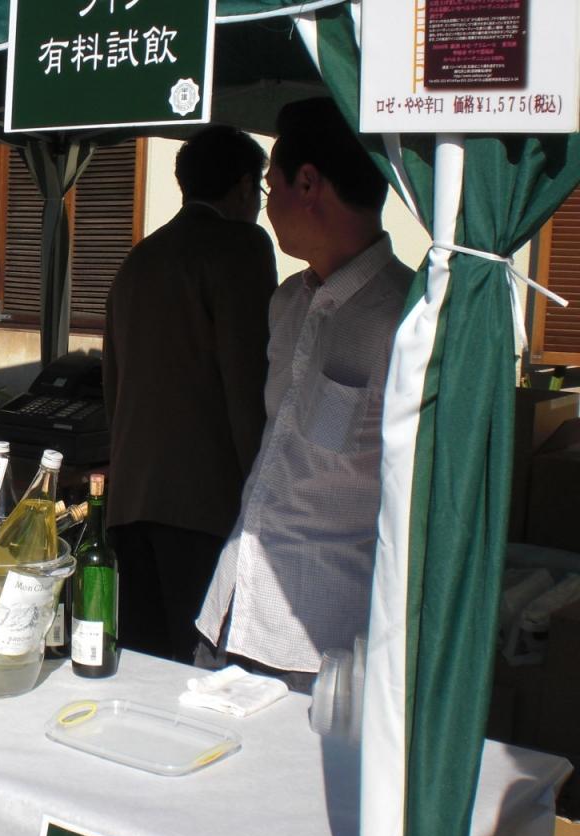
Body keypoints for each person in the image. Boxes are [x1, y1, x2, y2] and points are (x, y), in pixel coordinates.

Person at [195, 97, 416, 691]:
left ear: (309, 184)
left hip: (317, 639)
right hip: (229, 610)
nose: (266, 208)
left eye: (271, 188)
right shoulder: (287, 301)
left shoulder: (404, 319)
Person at [103, 125, 277, 663]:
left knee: (141, 662)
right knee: (202, 669)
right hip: (206, 502)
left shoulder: (140, 257)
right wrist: (264, 491)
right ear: (244, 187)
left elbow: (113, 383)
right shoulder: (241, 246)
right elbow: (249, 381)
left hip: (131, 498)